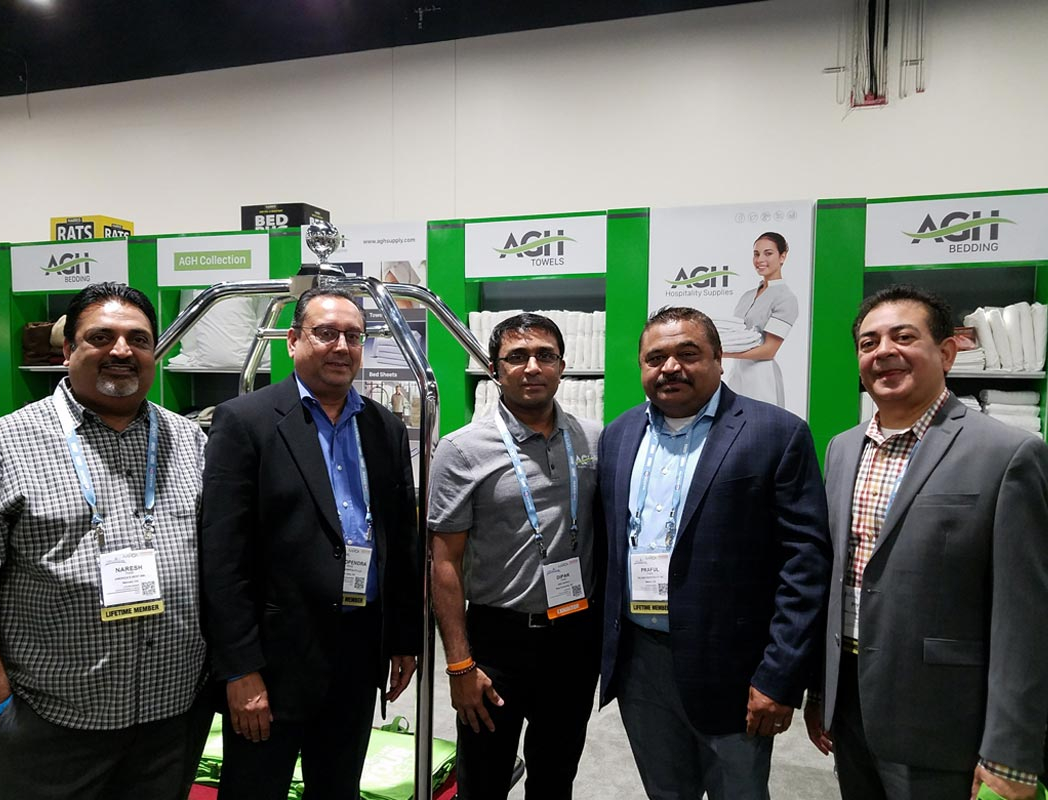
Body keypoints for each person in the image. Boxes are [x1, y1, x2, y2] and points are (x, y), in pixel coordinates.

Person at [0, 282, 211, 799]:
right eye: (101, 337)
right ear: (67, 350)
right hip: (51, 726)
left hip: (171, 720)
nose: (122, 351)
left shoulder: (191, 441)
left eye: (138, 340)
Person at [804, 285, 1048, 800]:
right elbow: (840, 581)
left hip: (945, 720)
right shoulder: (842, 449)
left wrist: (1011, 750)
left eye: (903, 337)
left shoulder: (1008, 453)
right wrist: (821, 691)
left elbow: (1025, 618)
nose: (883, 351)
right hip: (850, 707)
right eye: (868, 343)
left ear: (947, 352)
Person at [598, 306, 831, 800]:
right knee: (665, 791)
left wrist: (779, 676)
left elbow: (805, 566)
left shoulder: (776, 433)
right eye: (655, 358)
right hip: (642, 663)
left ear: (719, 359)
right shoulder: (618, 436)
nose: (670, 367)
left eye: (688, 353)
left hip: (736, 668)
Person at [199, 286, 421, 800]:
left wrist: (403, 638)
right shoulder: (245, 421)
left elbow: (400, 540)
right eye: (326, 333)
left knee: (338, 788)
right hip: (275, 662)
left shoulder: (384, 426)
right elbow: (222, 557)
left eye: (353, 336)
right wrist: (239, 668)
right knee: (254, 791)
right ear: (293, 340)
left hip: (358, 651)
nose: (341, 346)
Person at [429, 312, 603, 800]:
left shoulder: (594, 438)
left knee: (555, 778)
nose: (532, 367)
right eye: (517, 357)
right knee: (483, 781)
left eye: (545, 355)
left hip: (574, 638)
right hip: (497, 642)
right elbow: (444, 563)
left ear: (562, 366)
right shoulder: (462, 449)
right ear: (494, 369)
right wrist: (459, 665)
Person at [724, 232, 798, 408]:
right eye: (756, 254)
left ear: (782, 257)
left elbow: (769, 350)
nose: (760, 259)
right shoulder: (747, 296)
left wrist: (722, 353)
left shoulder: (785, 298)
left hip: (762, 378)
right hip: (737, 374)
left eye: (768, 253)